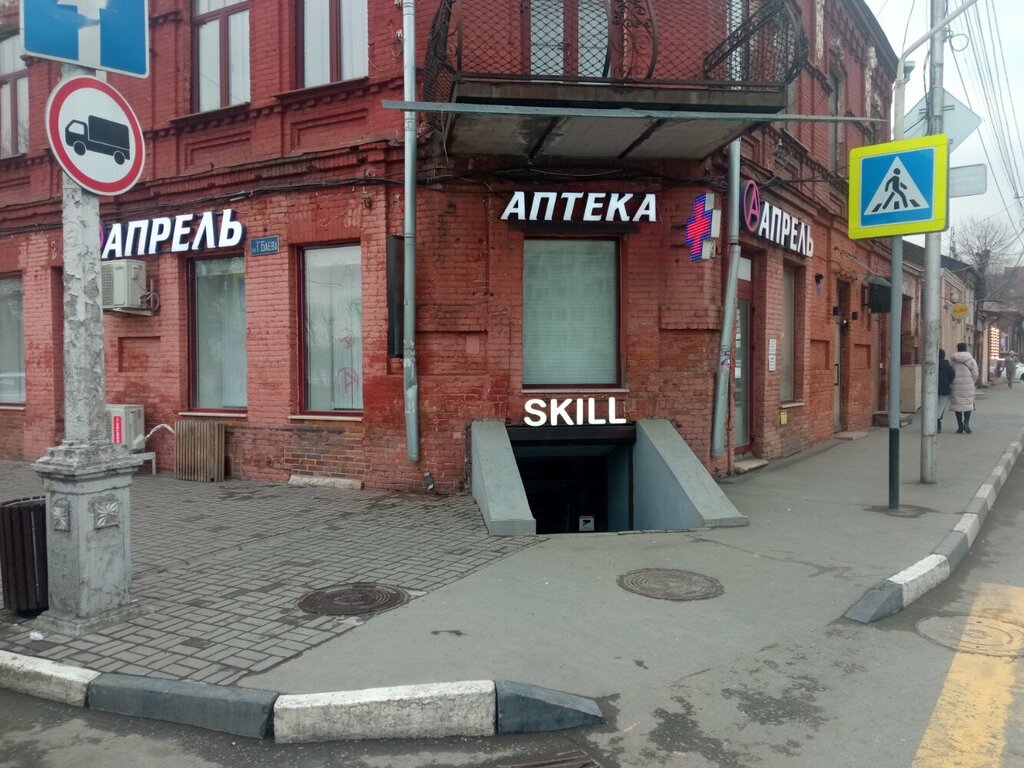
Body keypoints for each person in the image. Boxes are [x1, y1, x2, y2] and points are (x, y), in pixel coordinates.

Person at [951, 342, 979, 434]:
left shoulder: (953, 360)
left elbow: (950, 372)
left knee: (957, 406)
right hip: (968, 385)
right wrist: (972, 382)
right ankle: (966, 423)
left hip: (956, 384)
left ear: (957, 349)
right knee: (968, 405)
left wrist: (952, 382)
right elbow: (975, 373)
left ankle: (960, 426)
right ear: (966, 349)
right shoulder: (971, 360)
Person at [937, 348, 954, 433]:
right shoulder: (947, 365)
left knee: (932, 405)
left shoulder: (932, 364)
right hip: (944, 389)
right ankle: (938, 421)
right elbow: (952, 375)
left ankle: (933, 421)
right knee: (941, 406)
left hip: (932, 389)